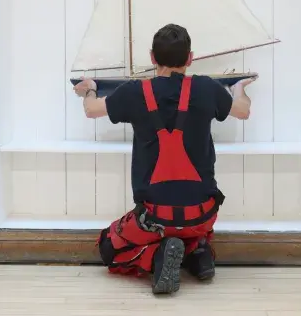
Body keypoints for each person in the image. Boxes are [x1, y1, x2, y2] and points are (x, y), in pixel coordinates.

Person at [72, 23, 255, 295]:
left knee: (108, 248)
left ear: (152, 57)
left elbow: (91, 109)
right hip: (202, 214)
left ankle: (158, 257)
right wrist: (238, 88)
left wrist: (88, 88)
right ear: (190, 58)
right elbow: (243, 110)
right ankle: (198, 251)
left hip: (155, 218)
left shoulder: (134, 92)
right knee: (188, 226)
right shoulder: (206, 88)